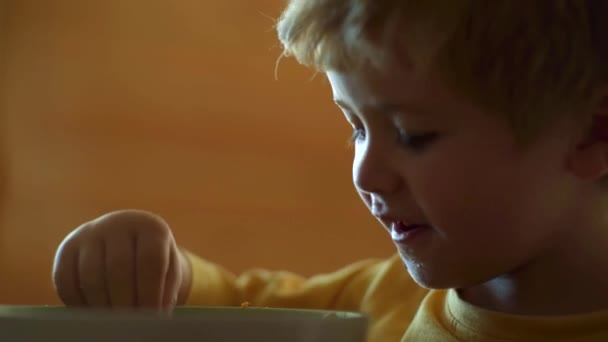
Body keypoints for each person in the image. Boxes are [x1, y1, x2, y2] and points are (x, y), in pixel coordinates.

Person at [52, 1, 608, 341]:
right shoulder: (379, 302)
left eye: (414, 135)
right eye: (356, 128)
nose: (367, 175)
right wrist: (150, 265)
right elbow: (235, 308)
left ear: (591, 135)